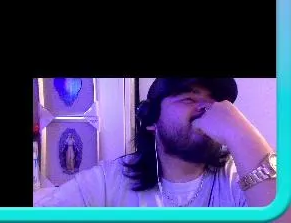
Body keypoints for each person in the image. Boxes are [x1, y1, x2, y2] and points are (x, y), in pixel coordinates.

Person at [34, 78, 278, 207]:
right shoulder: (107, 182)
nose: (207, 108)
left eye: (216, 102)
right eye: (189, 98)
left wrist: (240, 133)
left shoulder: (239, 178)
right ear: (151, 119)